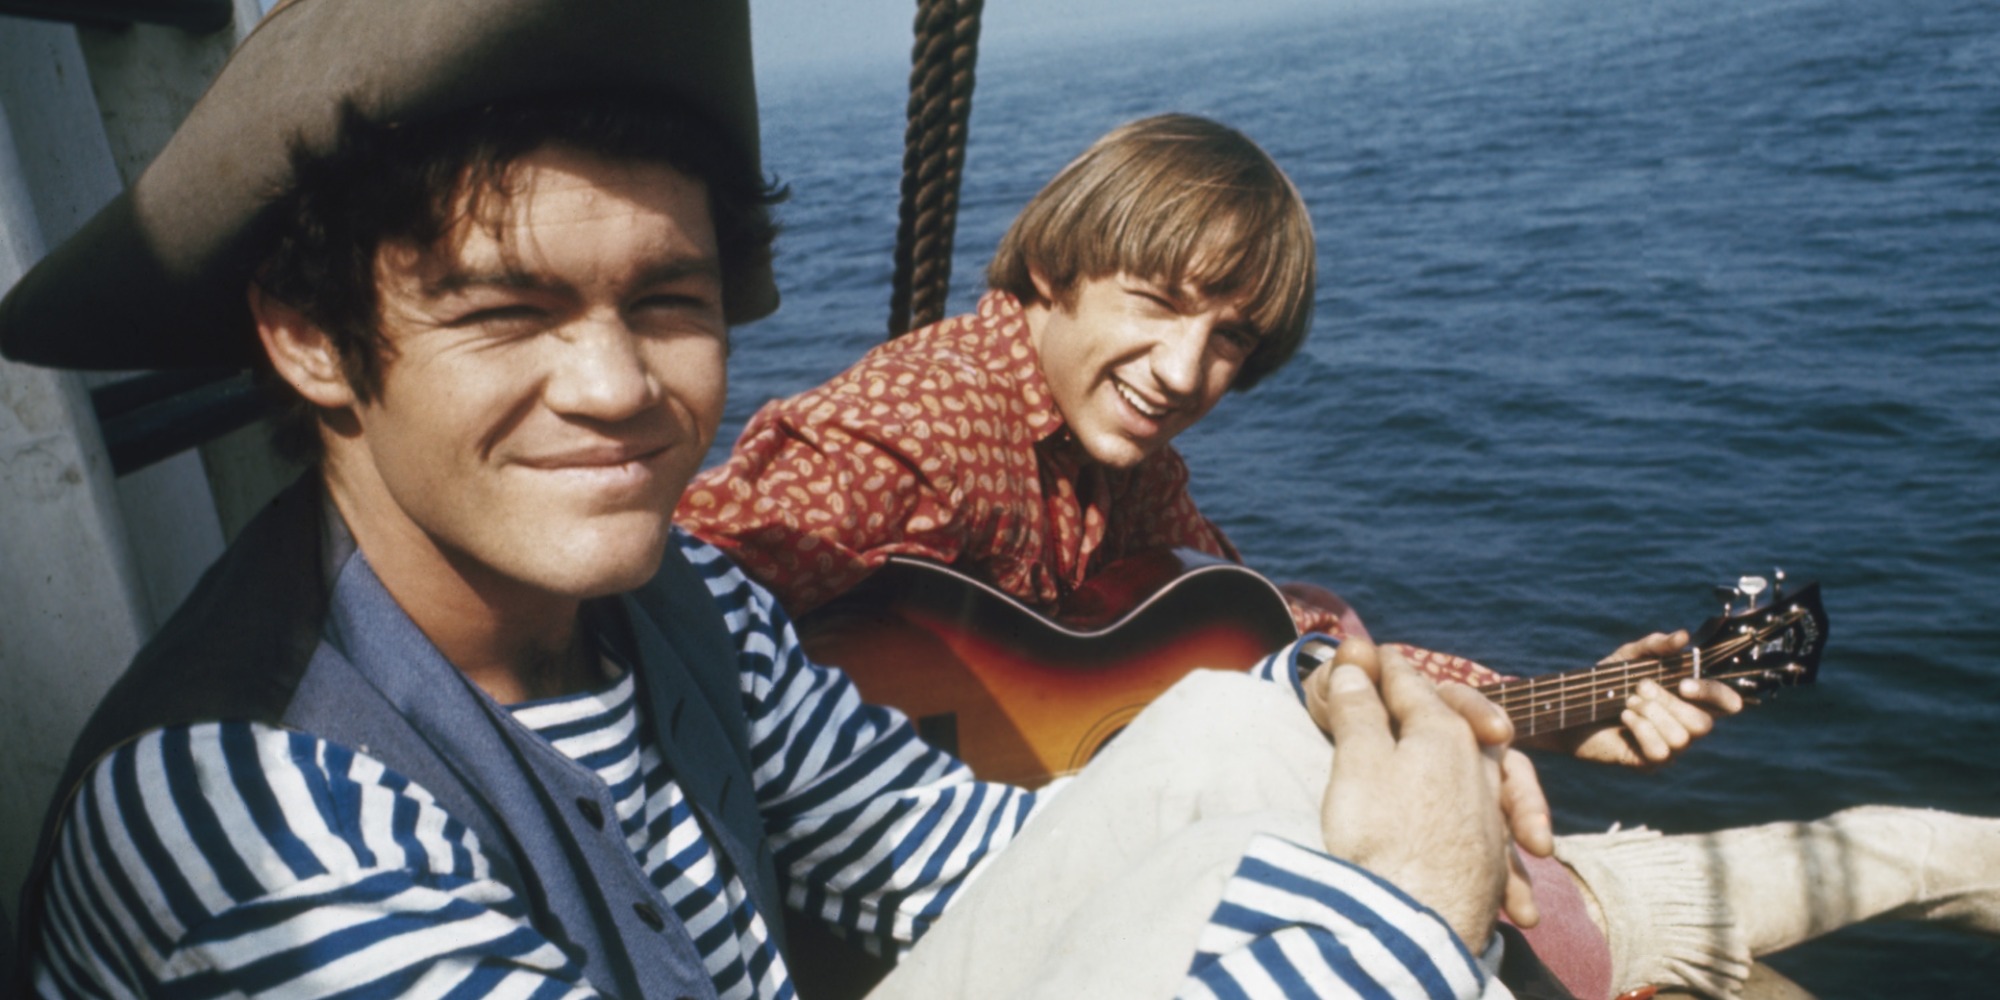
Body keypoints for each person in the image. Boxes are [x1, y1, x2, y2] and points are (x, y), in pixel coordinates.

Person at [1, 3, 1581, 999]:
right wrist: (1400, 922)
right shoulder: (263, 809)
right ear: (310, 338)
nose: (618, 388)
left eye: (669, 302)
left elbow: (959, 847)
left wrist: (1345, 715)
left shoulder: (680, 607)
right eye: (506, 311)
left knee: (1230, 736)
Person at [675, 114, 2000, 999]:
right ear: (1047, 271)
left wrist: (1568, 703)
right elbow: (678, 602)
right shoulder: (926, 421)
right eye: (1156, 302)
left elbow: (1283, 655)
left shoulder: (1123, 469)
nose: (1185, 372)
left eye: (1234, 342)